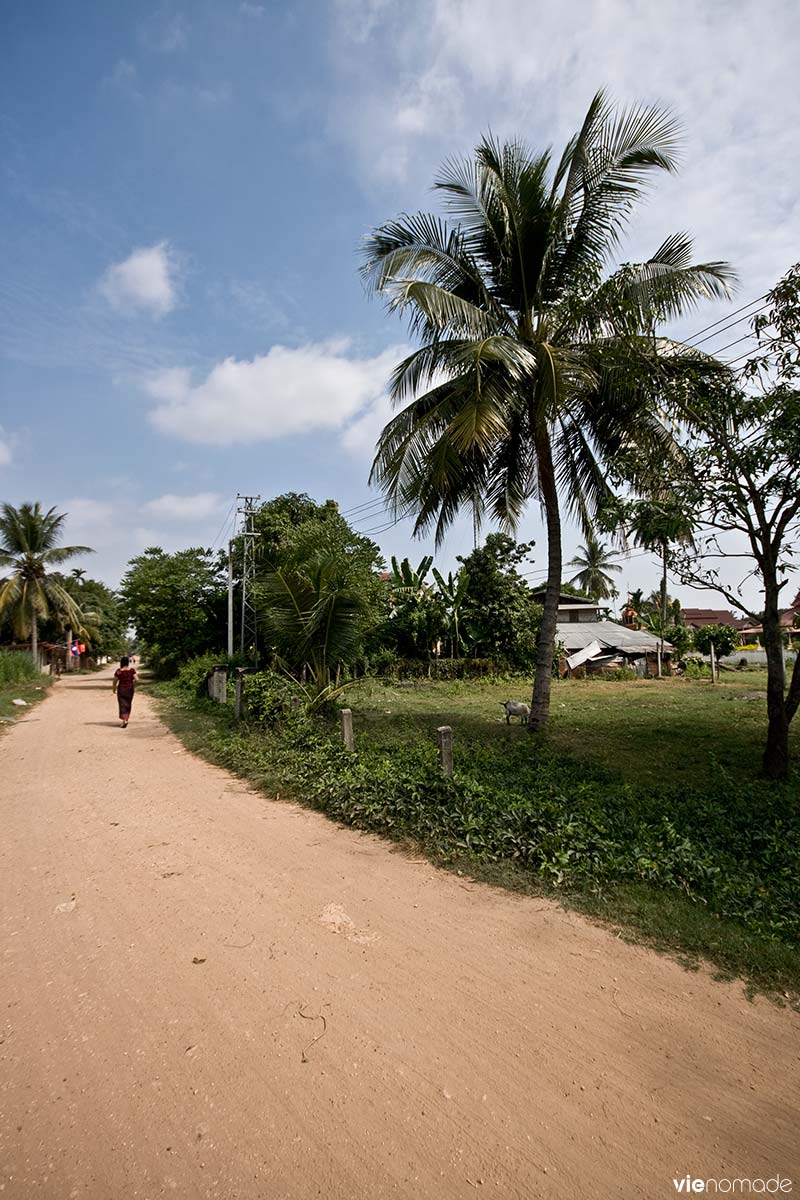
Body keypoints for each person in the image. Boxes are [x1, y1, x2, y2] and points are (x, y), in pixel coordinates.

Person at [112, 656, 137, 728]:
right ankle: (126, 719)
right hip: (130, 689)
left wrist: (114, 689)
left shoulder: (119, 671)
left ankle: (125, 720)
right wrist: (132, 683)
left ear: (121, 662)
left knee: (122, 704)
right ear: (128, 662)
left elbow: (115, 681)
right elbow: (137, 679)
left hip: (121, 689)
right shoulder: (132, 670)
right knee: (128, 703)